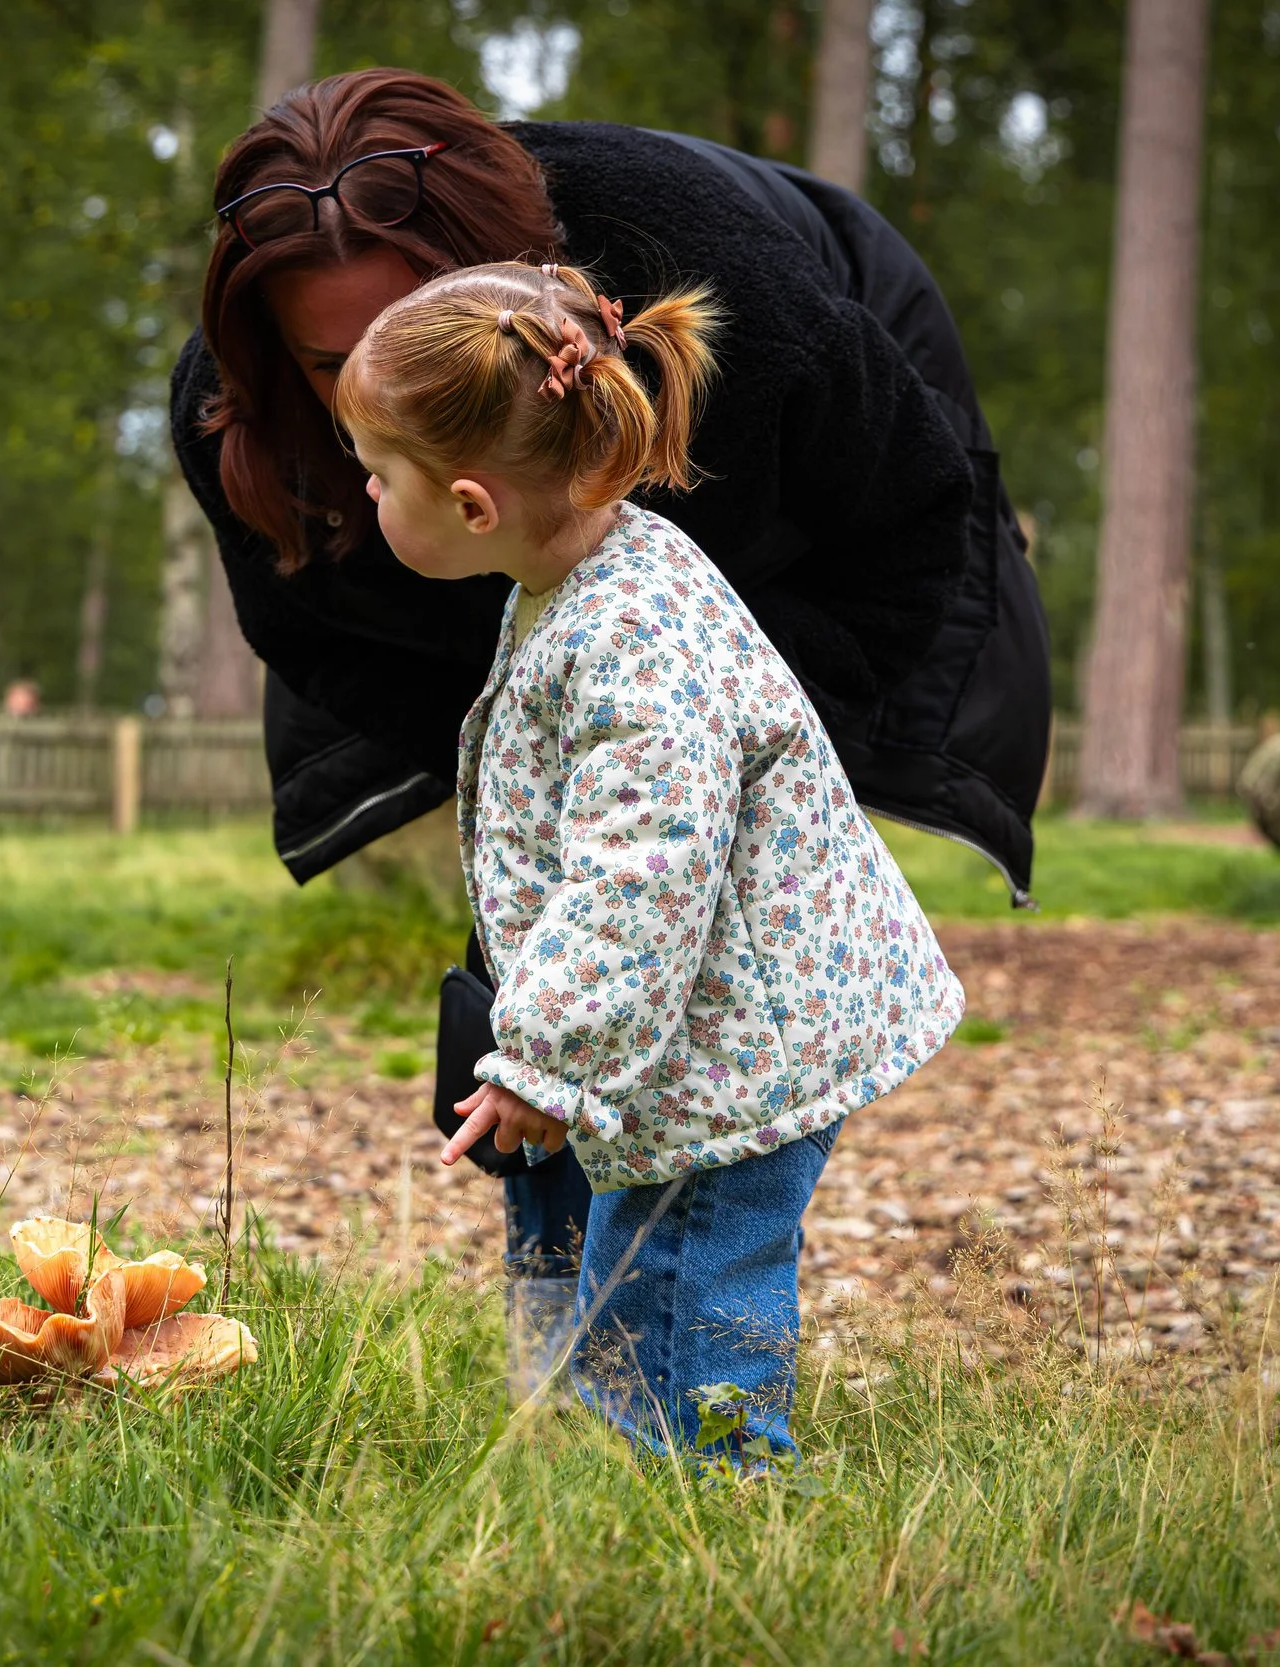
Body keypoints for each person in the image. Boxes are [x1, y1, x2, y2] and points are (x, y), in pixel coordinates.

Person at [169, 69, 1045, 1316]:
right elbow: (322, 643)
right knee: (569, 930)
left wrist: (717, 731)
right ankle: (568, 1311)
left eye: (424, 340)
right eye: (336, 366)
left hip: (795, 465)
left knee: (676, 913)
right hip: (545, 623)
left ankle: (691, 1372)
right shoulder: (239, 409)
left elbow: (904, 536)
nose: (393, 381)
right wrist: (533, 757)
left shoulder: (736, 294)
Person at [337, 258, 963, 1459]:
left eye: (377, 478)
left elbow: (640, 873)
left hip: (739, 1046)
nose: (364, 496)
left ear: (472, 504)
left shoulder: (629, 642)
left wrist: (545, 1063)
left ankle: (719, 1494)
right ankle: (662, 1461)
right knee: (652, 1273)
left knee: (681, 1289)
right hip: (720, 1023)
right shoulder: (589, 572)